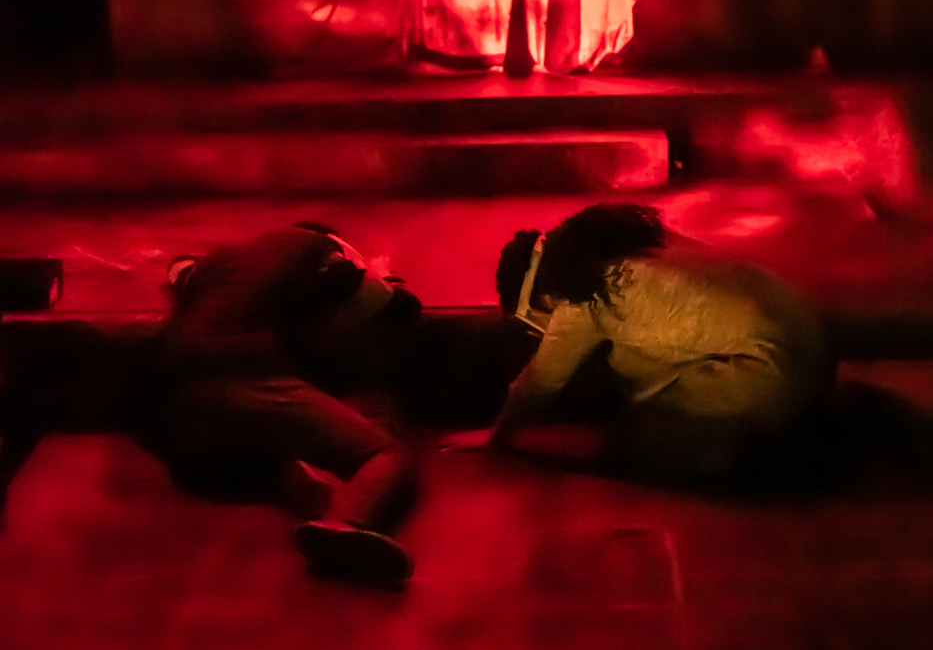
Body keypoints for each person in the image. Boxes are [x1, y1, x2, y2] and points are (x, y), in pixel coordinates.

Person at [446, 203, 831, 485]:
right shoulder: (639, 250)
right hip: (813, 346)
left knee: (631, 440)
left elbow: (540, 383)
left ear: (543, 298)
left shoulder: (582, 297)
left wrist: (495, 438)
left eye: (535, 322)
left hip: (772, 372)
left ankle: (762, 455)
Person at [153, 223, 421, 587]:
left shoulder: (218, 262)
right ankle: (343, 523)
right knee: (384, 454)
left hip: (178, 411)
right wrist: (386, 282)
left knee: (266, 442)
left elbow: (179, 271)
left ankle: (293, 473)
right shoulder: (325, 255)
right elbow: (398, 309)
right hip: (242, 376)